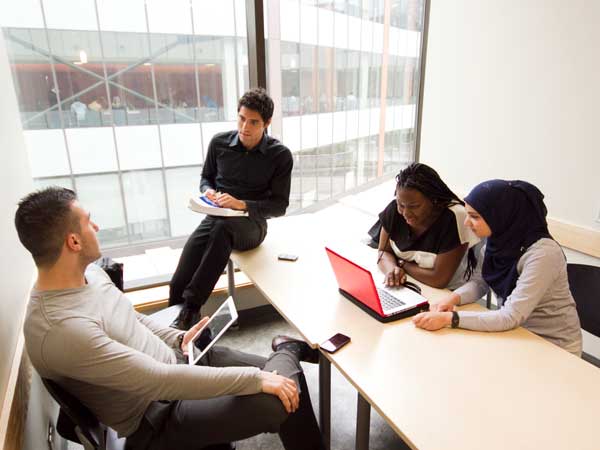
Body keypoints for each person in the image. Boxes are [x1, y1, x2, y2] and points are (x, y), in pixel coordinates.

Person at [17, 187, 324, 450]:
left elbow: (132, 318)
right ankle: (288, 350)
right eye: (87, 223)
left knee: (284, 382)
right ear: (73, 242)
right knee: (279, 393)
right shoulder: (60, 329)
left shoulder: (89, 274)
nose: (95, 227)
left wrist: (178, 338)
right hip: (156, 416)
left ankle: (286, 358)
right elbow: (156, 381)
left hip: (180, 360)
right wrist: (255, 380)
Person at [412, 179, 582, 356]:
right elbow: (480, 282)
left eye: (475, 217)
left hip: (554, 347)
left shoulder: (543, 255)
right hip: (516, 334)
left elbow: (510, 316)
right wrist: (452, 299)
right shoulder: (496, 244)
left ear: (501, 215)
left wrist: (450, 318)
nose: (466, 223)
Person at [169, 88, 293, 330]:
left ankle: (191, 311)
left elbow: (279, 206)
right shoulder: (219, 143)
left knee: (222, 230)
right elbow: (206, 178)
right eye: (241, 118)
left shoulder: (280, 156)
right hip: (216, 218)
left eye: (253, 122)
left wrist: (242, 204)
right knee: (178, 282)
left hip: (252, 225)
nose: (245, 126)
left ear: (267, 123)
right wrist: (208, 191)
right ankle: (172, 330)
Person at [377, 163, 480, 290]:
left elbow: (438, 280)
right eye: (401, 205)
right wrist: (392, 271)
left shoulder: (454, 217)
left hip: (450, 294)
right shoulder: (394, 210)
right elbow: (383, 251)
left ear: (434, 200)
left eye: (414, 206)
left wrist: (401, 264)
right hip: (409, 284)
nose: (406, 213)